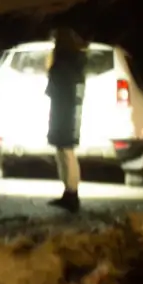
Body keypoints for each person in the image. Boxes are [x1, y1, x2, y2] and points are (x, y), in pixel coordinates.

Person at [45, 27, 87, 211]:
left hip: (65, 111)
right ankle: (69, 192)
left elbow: (54, 82)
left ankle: (72, 193)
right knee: (63, 151)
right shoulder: (73, 62)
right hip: (65, 110)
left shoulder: (65, 64)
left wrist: (50, 64)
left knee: (66, 151)